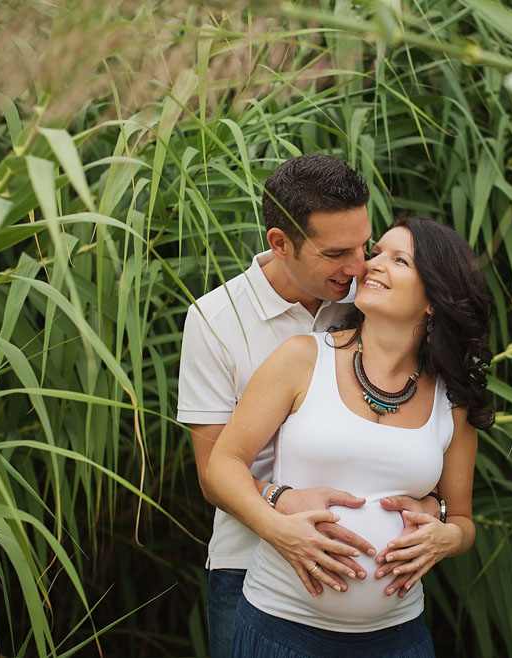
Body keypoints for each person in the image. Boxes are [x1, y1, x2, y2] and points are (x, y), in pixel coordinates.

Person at [176, 154, 440, 657]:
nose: (360, 265)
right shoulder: (215, 320)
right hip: (248, 566)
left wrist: (437, 508)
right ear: (280, 243)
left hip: (381, 610)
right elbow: (213, 471)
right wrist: (279, 504)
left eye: (365, 243)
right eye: (337, 252)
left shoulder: (372, 294)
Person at [207, 216, 494, 657]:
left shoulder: (451, 398)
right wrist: (278, 529)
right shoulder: (302, 358)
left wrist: (447, 538)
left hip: (397, 638)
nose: (373, 264)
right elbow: (222, 465)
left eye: (399, 260)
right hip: (282, 627)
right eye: (375, 253)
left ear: (434, 298)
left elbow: (462, 519)